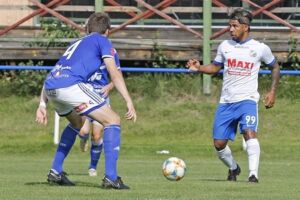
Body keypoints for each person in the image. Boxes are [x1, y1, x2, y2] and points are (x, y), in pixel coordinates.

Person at [35, 12, 137, 189]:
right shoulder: (103, 40)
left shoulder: (76, 43)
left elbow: (55, 71)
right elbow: (115, 73)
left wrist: (42, 104)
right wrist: (129, 101)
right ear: (108, 31)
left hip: (52, 87)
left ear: (87, 28)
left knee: (78, 123)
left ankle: (55, 172)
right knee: (113, 120)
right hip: (70, 86)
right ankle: (111, 178)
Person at [186, 8, 280, 183]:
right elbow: (215, 68)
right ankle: (234, 168)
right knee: (219, 144)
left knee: (249, 133)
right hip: (226, 102)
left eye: (234, 26)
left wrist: (272, 91)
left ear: (245, 27)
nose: (230, 29)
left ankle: (253, 175)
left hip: (248, 100)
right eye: (229, 26)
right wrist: (199, 67)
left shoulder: (260, 48)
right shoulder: (225, 46)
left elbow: (275, 66)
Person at [78, 51, 122, 177]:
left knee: (96, 136)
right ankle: (83, 139)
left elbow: (118, 75)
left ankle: (92, 167)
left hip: (101, 98)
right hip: (84, 97)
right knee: (83, 132)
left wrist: (109, 86)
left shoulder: (111, 53)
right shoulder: (85, 51)